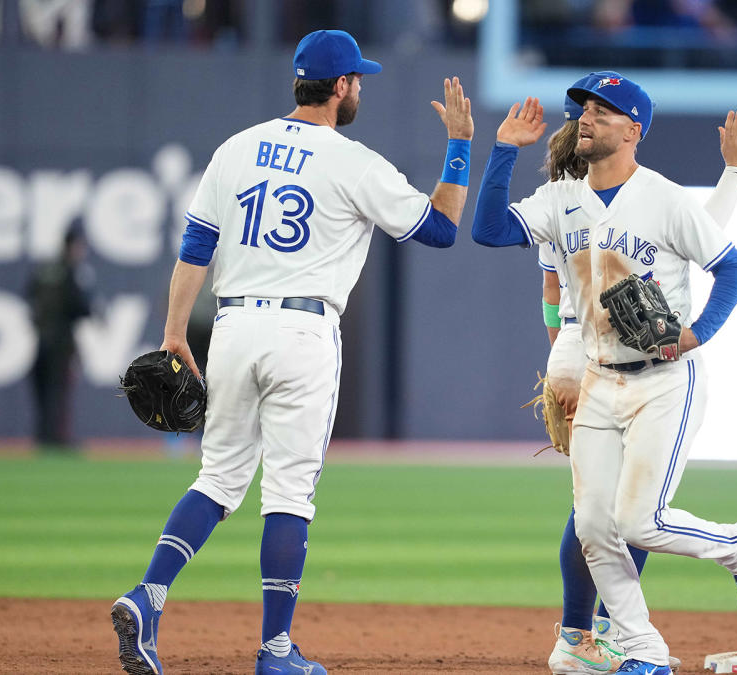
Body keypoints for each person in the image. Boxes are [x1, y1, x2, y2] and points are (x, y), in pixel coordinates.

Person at [109, 29, 473, 675]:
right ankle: (275, 650)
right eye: (357, 79)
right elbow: (441, 229)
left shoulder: (236, 148)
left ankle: (148, 595)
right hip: (303, 333)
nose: (360, 86)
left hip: (230, 326)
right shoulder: (353, 160)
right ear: (339, 87)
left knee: (217, 479)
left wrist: (172, 333)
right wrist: (461, 146)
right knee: (288, 494)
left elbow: (196, 246)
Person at [474, 72, 737, 675]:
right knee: (592, 525)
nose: (587, 117)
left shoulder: (665, 198)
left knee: (640, 520)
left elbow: (735, 270)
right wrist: (504, 150)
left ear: (634, 130)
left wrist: (694, 334)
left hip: (665, 380)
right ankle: (644, 651)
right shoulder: (562, 199)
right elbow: (488, 230)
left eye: (604, 111)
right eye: (584, 108)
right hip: (597, 376)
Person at [27, 225, 93, 453]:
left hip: (42, 337)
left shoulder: (46, 268)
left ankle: (43, 436)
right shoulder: (70, 271)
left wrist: (39, 320)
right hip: (62, 340)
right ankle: (58, 438)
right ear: (73, 246)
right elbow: (80, 305)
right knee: (60, 388)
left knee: (43, 388)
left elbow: (29, 295)